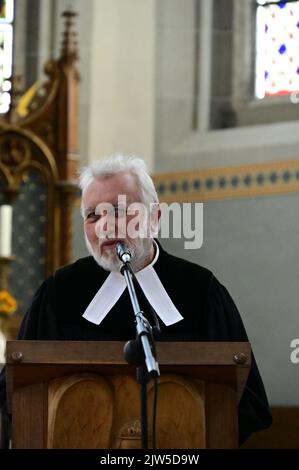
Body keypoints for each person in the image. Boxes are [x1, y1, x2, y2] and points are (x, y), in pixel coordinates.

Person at [0, 154, 272, 446]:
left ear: (154, 217)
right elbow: (14, 396)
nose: (105, 225)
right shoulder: (59, 294)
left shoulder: (201, 291)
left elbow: (245, 404)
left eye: (118, 210)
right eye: (93, 215)